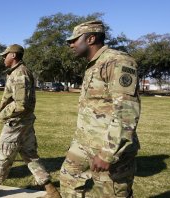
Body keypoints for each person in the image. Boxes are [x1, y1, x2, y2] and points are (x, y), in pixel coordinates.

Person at [60, 20, 141, 198]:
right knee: (68, 181)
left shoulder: (117, 61)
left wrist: (107, 154)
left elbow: (127, 112)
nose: (70, 44)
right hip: (84, 143)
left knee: (111, 194)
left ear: (91, 39)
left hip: (108, 146)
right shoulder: (93, 65)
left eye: (74, 40)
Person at [0, 44, 61, 198]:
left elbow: (21, 104)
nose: (3, 58)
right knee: (30, 156)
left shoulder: (20, 73)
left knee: (3, 156)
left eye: (5, 55)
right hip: (24, 123)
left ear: (13, 55)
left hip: (16, 123)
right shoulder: (18, 72)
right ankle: (52, 191)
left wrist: (3, 114)